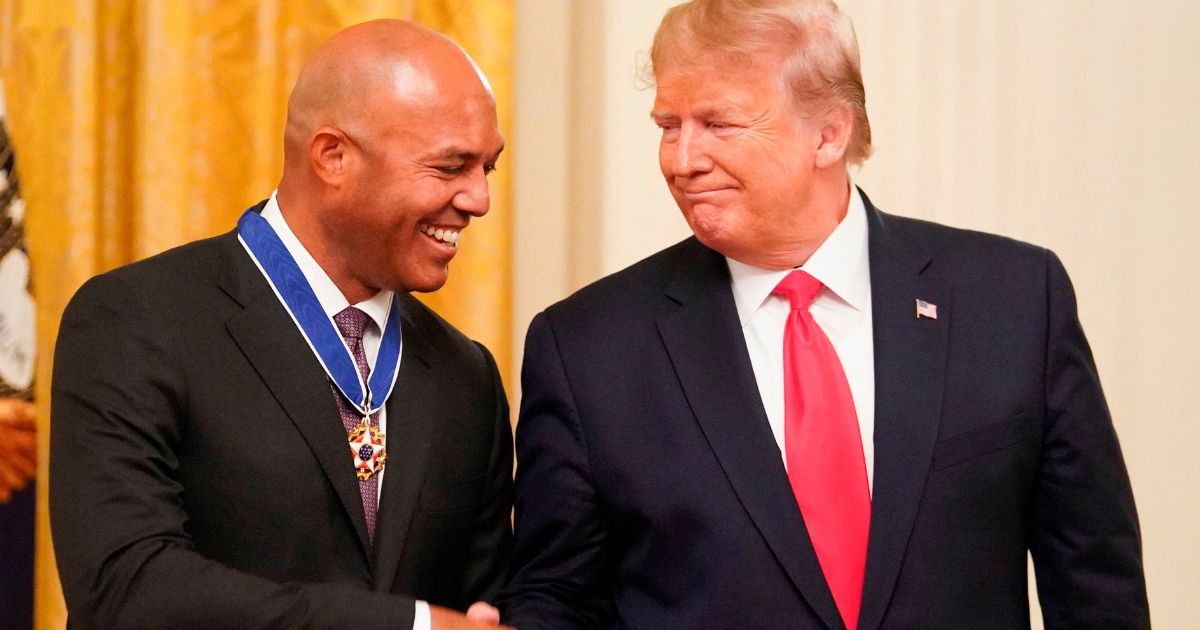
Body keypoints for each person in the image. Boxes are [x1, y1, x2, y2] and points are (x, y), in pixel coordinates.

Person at [498, 1, 1149, 628]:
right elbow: (558, 600)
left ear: (829, 133)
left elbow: (1096, 588)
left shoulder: (1012, 302)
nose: (681, 160)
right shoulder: (588, 347)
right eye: (668, 126)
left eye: (718, 124)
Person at [51, 20, 513, 630]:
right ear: (333, 157)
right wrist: (410, 626)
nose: (479, 199)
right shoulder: (135, 321)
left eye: (488, 168)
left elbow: (485, 603)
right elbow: (125, 587)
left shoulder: (465, 374)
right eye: (451, 167)